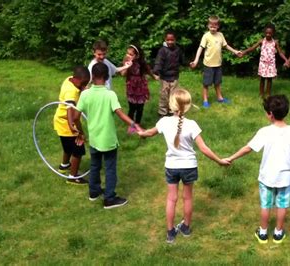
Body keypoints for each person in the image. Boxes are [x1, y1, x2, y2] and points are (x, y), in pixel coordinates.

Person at [224, 95, 290, 244]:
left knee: (266, 205)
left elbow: (248, 148)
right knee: (282, 205)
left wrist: (231, 158)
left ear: (270, 114)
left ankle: (263, 233)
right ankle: (278, 233)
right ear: (287, 112)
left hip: (266, 177)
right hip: (285, 178)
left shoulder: (265, 131)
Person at [137, 89, 230, 244]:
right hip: (189, 167)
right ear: (187, 106)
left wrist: (141, 133)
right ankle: (186, 228)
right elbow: (204, 148)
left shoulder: (164, 122)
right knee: (187, 198)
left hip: (171, 167)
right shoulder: (192, 125)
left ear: (171, 105)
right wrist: (219, 160)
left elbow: (149, 133)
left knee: (171, 199)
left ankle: (170, 233)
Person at [73, 62, 142, 209]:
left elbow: (75, 117)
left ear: (92, 76)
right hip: (108, 140)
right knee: (110, 168)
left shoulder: (85, 94)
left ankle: (94, 192)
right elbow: (121, 114)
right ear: (106, 77)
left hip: (94, 139)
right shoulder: (110, 94)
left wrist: (80, 132)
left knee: (95, 165)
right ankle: (109, 199)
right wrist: (134, 125)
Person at [190, 15, 243, 108]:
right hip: (208, 65)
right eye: (211, 26)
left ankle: (220, 98)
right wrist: (196, 60)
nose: (213, 28)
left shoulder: (220, 35)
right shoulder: (206, 36)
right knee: (206, 83)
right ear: (208, 25)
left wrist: (235, 51)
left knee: (217, 82)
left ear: (218, 26)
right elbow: (200, 48)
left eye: (215, 26)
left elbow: (226, 46)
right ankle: (205, 100)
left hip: (218, 64)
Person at [53, 66, 90, 185]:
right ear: (77, 80)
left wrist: (83, 89)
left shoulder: (69, 79)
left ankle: (64, 165)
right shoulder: (71, 92)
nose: (84, 86)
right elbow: (70, 110)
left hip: (60, 121)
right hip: (67, 124)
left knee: (68, 147)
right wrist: (76, 129)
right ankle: (73, 177)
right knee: (78, 151)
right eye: (83, 83)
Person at [242, 24, 289, 98]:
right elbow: (252, 48)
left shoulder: (275, 42)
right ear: (264, 33)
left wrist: (286, 60)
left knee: (269, 80)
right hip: (263, 64)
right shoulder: (261, 41)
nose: (268, 34)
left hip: (271, 64)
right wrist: (244, 52)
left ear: (273, 33)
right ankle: (261, 93)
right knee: (262, 79)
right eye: (266, 33)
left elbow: (280, 53)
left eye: (270, 33)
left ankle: (268, 94)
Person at [120, 44, 156, 133]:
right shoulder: (126, 62)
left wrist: (154, 76)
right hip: (131, 87)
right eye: (127, 53)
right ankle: (131, 125)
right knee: (132, 108)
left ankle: (138, 124)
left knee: (140, 108)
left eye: (131, 54)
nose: (128, 56)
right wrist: (127, 65)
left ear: (137, 56)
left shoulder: (142, 63)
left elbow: (148, 70)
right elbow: (122, 74)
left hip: (141, 87)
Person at [153, 30, 186, 117]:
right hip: (164, 78)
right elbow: (159, 62)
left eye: (172, 40)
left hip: (174, 76)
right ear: (165, 40)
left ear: (175, 40)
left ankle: (172, 110)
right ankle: (162, 112)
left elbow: (182, 59)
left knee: (173, 95)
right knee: (164, 95)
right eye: (168, 40)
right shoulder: (162, 51)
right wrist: (156, 71)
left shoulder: (178, 50)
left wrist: (188, 63)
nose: (170, 42)